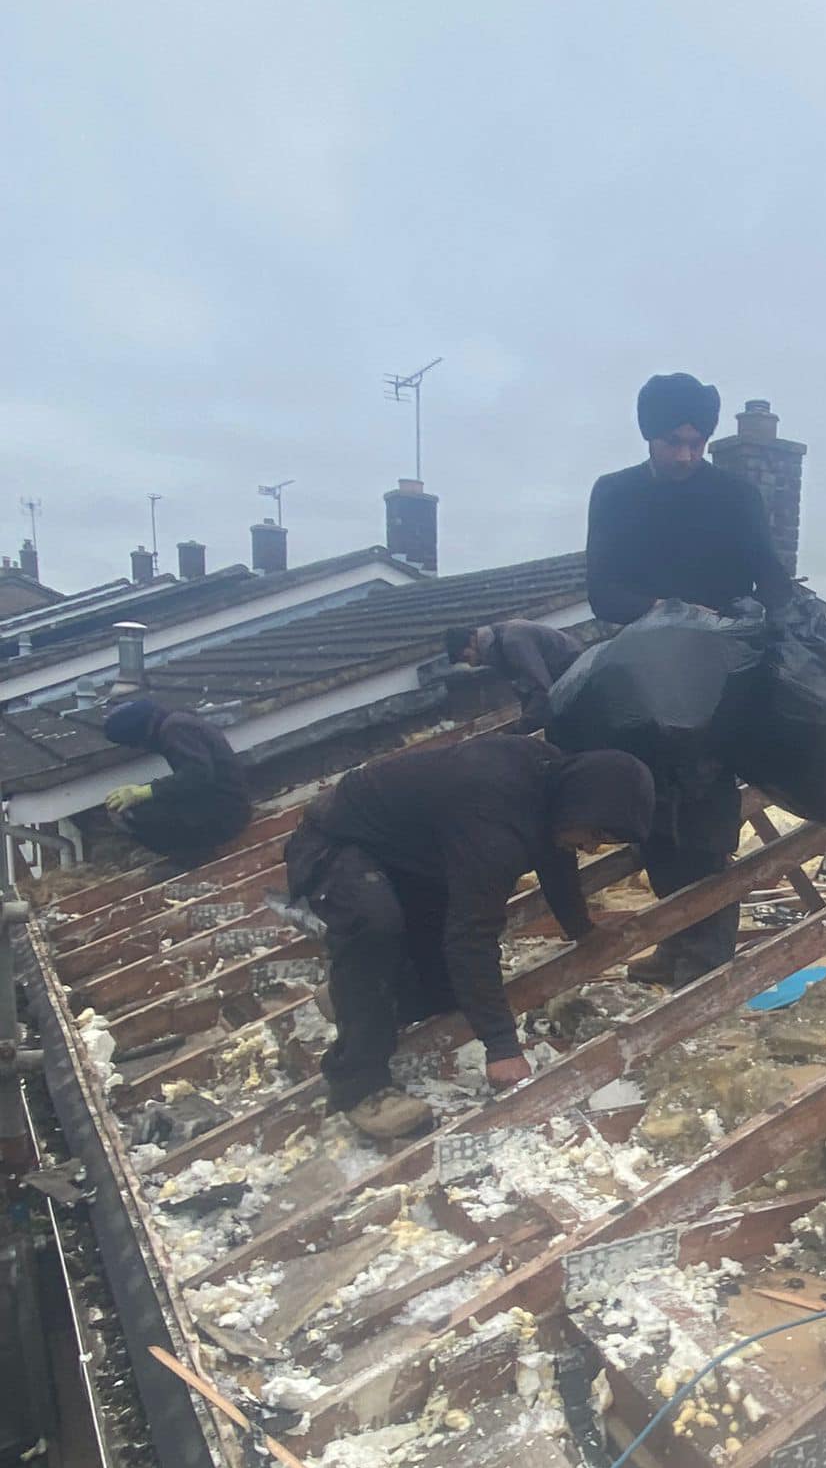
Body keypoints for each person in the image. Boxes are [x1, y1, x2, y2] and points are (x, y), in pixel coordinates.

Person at [285, 735, 654, 1141]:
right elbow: (471, 938)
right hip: (338, 841)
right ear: (582, 802)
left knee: (451, 991)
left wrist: (583, 931)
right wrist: (502, 1049)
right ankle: (359, 1087)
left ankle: (352, 994)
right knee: (376, 923)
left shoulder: (552, 785)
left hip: (412, 854)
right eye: (595, 832)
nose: (591, 845)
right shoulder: (494, 815)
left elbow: (556, 859)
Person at [585, 372, 796, 987]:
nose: (685, 454)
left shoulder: (734, 497)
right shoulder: (616, 494)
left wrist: (776, 625)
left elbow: (769, 574)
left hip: (714, 679)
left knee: (706, 815)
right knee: (651, 814)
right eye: (673, 441)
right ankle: (676, 939)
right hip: (643, 676)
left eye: (695, 442)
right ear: (650, 435)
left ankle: (705, 955)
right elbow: (603, 589)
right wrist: (662, 612)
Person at [100, 693, 253, 861]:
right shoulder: (176, 720)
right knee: (149, 806)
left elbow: (198, 775)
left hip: (226, 814)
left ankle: (192, 856)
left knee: (133, 813)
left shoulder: (174, 729)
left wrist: (143, 792)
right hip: (226, 804)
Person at [443, 619, 585, 733]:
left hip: (577, 679)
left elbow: (543, 689)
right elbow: (526, 691)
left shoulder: (512, 641)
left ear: (473, 640)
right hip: (563, 685)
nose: (472, 665)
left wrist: (519, 729)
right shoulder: (497, 651)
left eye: (467, 657)